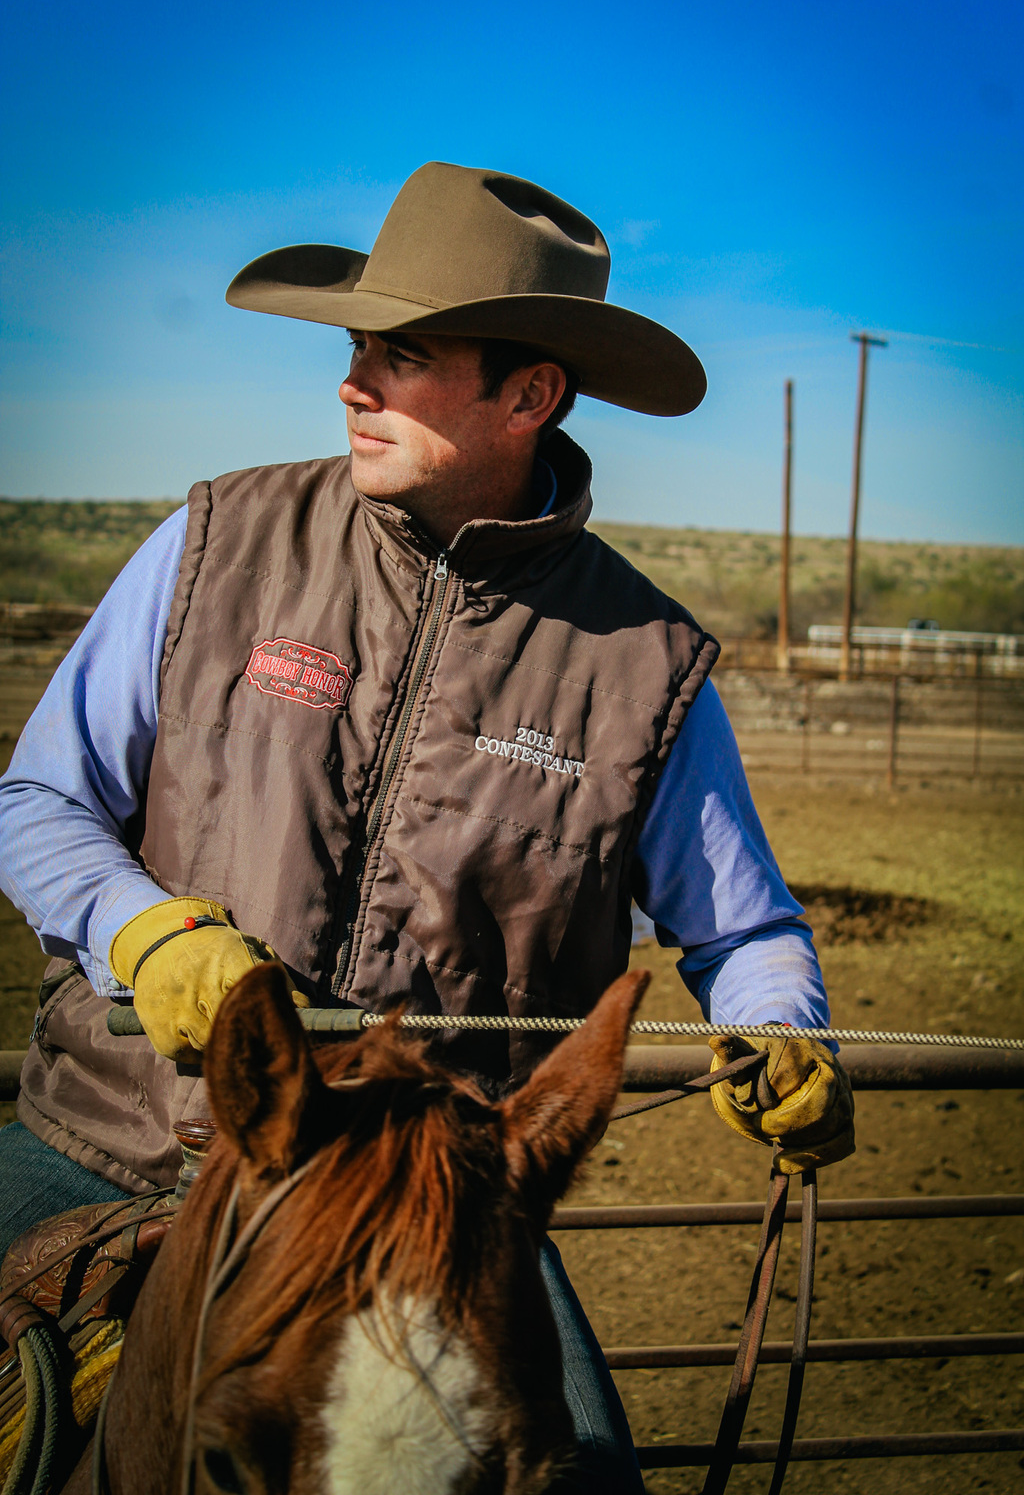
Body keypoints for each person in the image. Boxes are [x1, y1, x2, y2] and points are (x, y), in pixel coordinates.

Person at [0, 162, 853, 1490]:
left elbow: (745, 928)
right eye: (354, 350)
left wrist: (781, 1028)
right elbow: (40, 800)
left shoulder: (641, 664)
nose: (352, 384)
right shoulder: (216, 542)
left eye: (400, 356)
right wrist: (140, 932)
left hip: (442, 1212)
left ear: (530, 395)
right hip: (115, 1139)